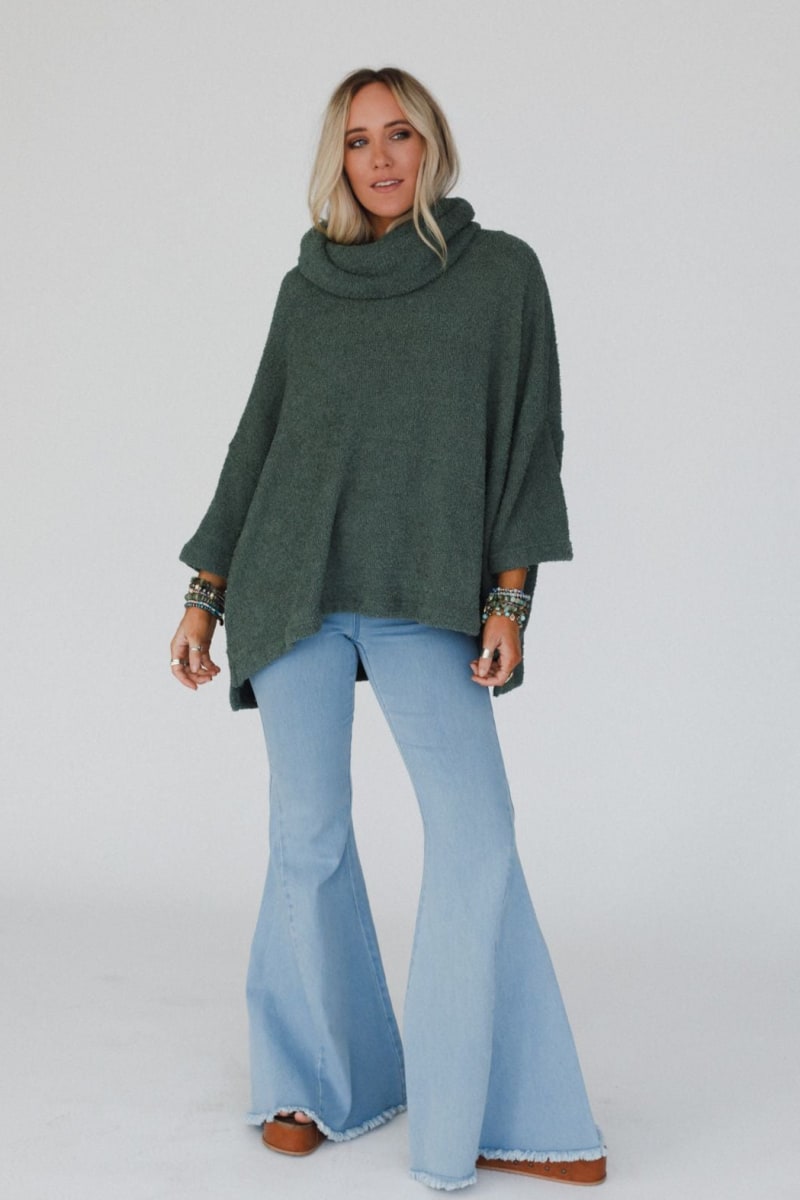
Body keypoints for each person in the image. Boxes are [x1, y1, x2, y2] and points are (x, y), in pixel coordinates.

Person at [170, 65, 607, 1191]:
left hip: (425, 592)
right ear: (338, 158)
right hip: (292, 586)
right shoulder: (305, 289)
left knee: (477, 838)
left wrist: (510, 600)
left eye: (398, 134)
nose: (379, 158)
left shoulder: (498, 274)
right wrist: (205, 592)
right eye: (358, 139)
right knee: (307, 837)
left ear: (432, 146)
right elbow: (256, 441)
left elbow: (527, 443)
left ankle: (503, 1113)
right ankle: (314, 1083)